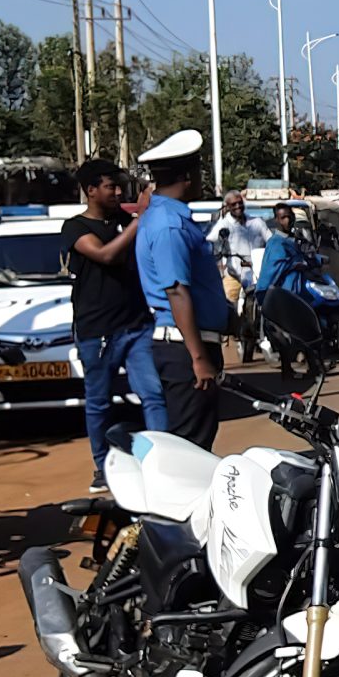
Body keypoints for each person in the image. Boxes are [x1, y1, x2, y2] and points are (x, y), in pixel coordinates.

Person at [64, 157, 169, 488]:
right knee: (99, 401)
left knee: (152, 393)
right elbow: (106, 255)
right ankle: (102, 467)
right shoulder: (76, 228)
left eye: (119, 186)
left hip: (136, 325)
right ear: (91, 190)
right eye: (111, 186)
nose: (118, 192)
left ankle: (162, 461)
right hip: (98, 332)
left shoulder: (124, 219)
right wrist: (139, 221)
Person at [134, 129, 233, 448]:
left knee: (195, 440)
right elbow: (176, 291)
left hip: (188, 344)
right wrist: (197, 357)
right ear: (188, 176)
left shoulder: (165, 217)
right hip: (184, 349)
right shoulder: (169, 225)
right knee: (191, 446)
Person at [205, 189, 272, 365]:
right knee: (226, 305)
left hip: (257, 273)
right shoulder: (223, 225)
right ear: (227, 207)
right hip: (234, 273)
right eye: (233, 204)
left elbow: (271, 241)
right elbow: (211, 242)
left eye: (239, 203)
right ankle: (228, 347)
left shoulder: (256, 223)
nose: (238, 206)